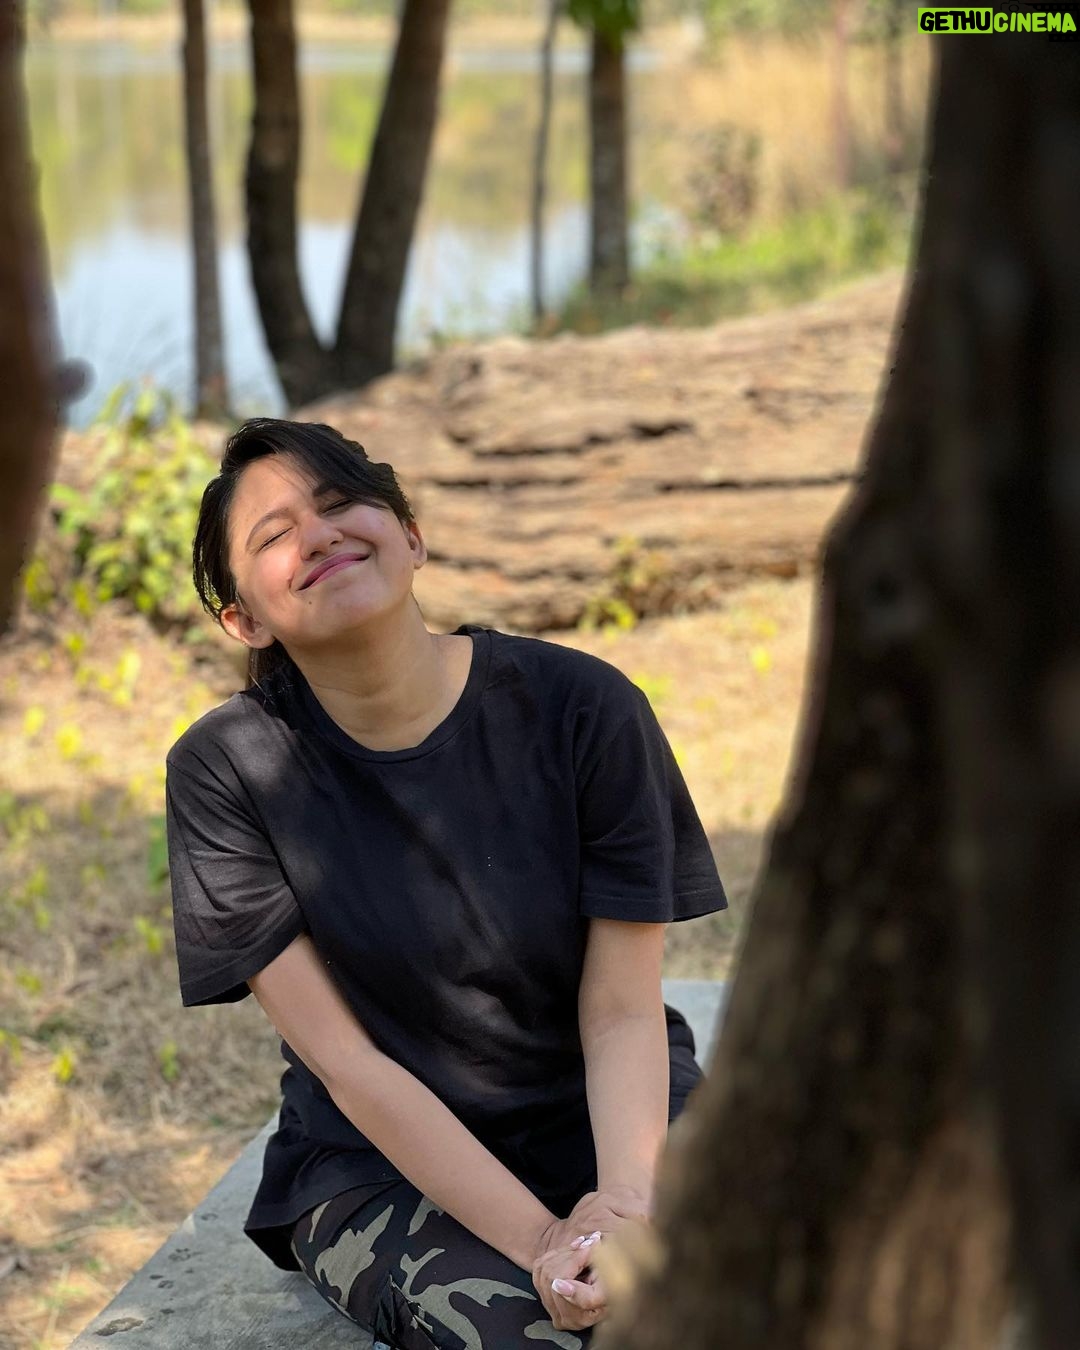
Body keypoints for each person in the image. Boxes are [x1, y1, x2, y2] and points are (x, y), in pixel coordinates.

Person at [164, 417, 728, 1349]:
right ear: (243, 620)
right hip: (379, 1164)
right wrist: (546, 1243)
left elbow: (622, 1012)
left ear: (412, 536)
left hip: (617, 1114)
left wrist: (627, 1206)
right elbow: (350, 1065)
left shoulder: (585, 708)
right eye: (275, 536)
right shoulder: (226, 771)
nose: (320, 535)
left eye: (341, 504)